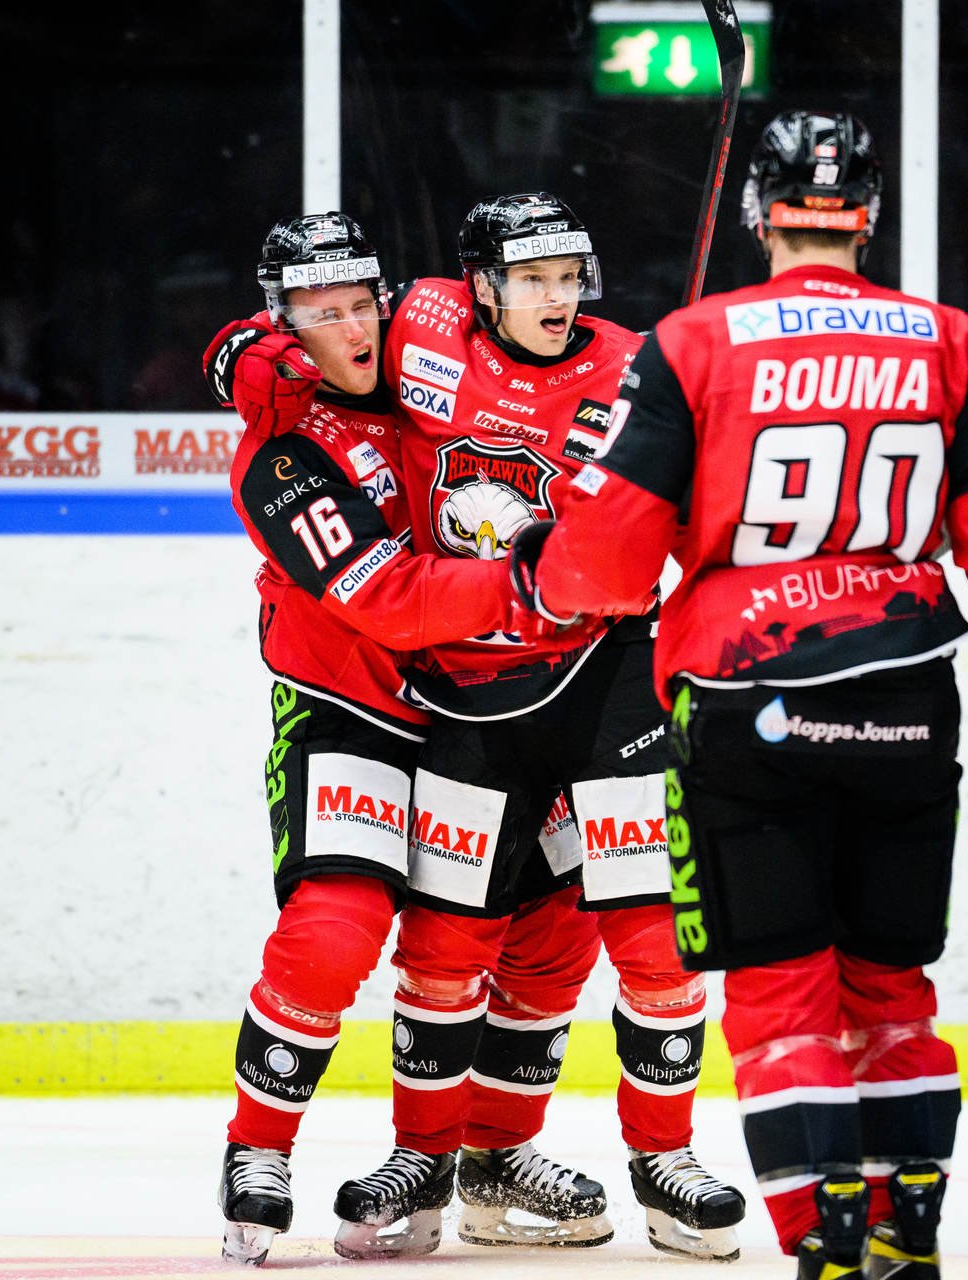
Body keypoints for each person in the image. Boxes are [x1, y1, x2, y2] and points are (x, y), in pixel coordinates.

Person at [508, 111, 968, 1280]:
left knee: (783, 994)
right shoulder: (950, 339)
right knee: (894, 990)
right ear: (867, 214)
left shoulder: (694, 341)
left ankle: (823, 1243)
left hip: (749, 696)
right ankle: (906, 1226)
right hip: (905, 694)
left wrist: (560, 556)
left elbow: (609, 567)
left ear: (756, 214)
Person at [329, 192, 746, 1262]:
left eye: (573, 276)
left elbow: (702, 512)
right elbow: (308, 328)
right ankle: (425, 1156)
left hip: (607, 674)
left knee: (655, 937)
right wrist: (242, 348)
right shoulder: (418, 322)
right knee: (444, 945)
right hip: (466, 684)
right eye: (535, 279)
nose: (561, 298)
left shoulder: (636, 364)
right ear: (480, 285)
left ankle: (665, 1162)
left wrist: (677, 437)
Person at [205, 211, 523, 1265]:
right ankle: (258, 1149)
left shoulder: (431, 377)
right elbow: (383, 594)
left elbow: (521, 331)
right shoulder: (280, 446)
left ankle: (429, 1160)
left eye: (362, 303)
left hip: (471, 704)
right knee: (336, 925)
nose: (354, 327)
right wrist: (532, 582)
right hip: (343, 700)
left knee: (460, 946)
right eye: (323, 310)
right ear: (283, 321)